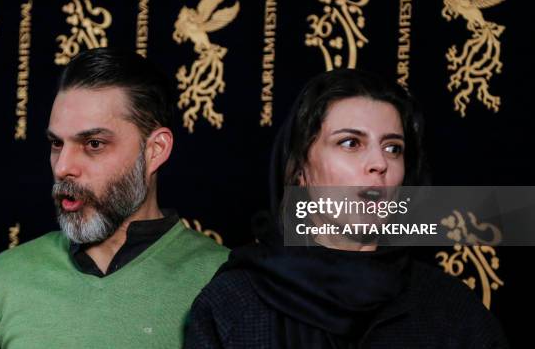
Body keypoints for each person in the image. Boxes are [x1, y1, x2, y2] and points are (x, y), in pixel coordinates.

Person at [185, 69, 508, 348]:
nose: (379, 163)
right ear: (300, 170)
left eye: (393, 148)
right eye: (351, 143)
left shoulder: (450, 309)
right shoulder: (234, 303)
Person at [0, 48, 228, 348]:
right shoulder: (5, 279)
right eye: (56, 143)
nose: (64, 167)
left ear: (155, 149)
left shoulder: (222, 280)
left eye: (93, 143)